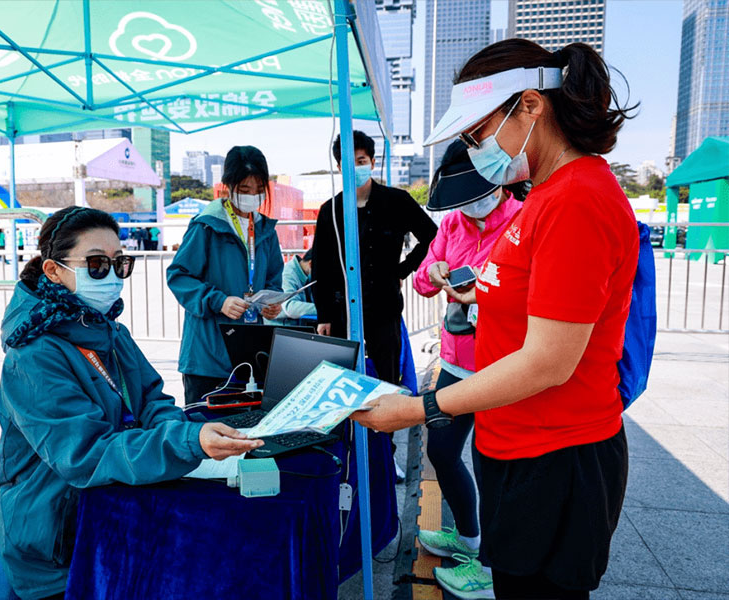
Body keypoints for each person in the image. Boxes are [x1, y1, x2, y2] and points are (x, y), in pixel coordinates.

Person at [351, 40, 639, 600]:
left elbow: (548, 362)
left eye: (477, 133)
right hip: (516, 444)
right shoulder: (545, 194)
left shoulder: (575, 199)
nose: (476, 149)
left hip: (557, 458)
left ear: (530, 106)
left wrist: (417, 409)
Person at [0, 206, 262, 600]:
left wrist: (188, 434)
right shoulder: (34, 355)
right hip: (58, 541)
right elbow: (86, 454)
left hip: (113, 504)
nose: (112, 276)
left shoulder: (107, 330)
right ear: (53, 271)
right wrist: (187, 444)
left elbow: (152, 399)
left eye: (119, 264)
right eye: (97, 264)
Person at [411, 140, 524, 599]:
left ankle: (492, 569)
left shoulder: (523, 219)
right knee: (441, 449)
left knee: (496, 464)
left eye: (477, 193)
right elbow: (420, 280)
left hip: (504, 365)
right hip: (457, 363)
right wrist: (435, 270)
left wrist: (484, 296)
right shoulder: (453, 221)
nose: (469, 206)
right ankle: (470, 538)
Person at [312, 130, 438, 386]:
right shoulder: (330, 211)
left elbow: (432, 235)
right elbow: (321, 267)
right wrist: (323, 314)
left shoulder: (397, 201)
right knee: (344, 383)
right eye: (349, 163)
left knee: (387, 380)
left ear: (371, 161)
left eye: (361, 161)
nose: (356, 167)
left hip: (385, 308)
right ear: (338, 167)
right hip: (342, 313)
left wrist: (403, 269)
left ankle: (386, 427)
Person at [167, 145, 284, 405]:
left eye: (258, 190)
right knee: (206, 434)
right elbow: (179, 276)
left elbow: (274, 275)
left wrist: (272, 301)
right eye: (244, 190)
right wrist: (219, 301)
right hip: (208, 355)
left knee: (248, 431)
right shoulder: (206, 225)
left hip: (250, 351)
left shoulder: (266, 229)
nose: (252, 197)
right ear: (227, 186)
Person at [264, 248, 317, 326]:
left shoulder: (307, 274)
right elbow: (290, 307)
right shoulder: (288, 274)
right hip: (280, 329)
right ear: (311, 264)